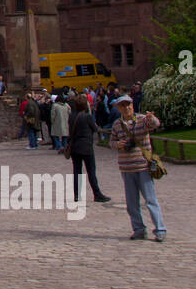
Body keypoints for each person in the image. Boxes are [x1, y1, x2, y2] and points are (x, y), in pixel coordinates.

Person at [109, 95, 165, 240]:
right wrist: (118, 145)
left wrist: (151, 119)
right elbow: (112, 142)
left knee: (151, 200)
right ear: (119, 108)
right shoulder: (117, 124)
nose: (126, 108)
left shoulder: (141, 120)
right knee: (132, 203)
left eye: (128, 105)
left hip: (143, 167)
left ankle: (160, 229)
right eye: (123, 106)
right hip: (126, 168)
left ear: (132, 106)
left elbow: (155, 124)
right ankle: (139, 229)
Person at [67, 94, 110, 202]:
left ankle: (77, 195)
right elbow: (95, 129)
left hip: (75, 147)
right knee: (91, 171)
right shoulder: (87, 117)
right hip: (86, 147)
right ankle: (97, 193)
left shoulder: (71, 116)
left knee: (77, 171)